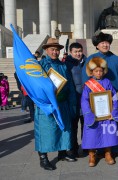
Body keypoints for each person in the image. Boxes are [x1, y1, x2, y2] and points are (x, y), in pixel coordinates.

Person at [82, 32, 118, 156]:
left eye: (107, 42)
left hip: (114, 96)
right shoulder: (91, 58)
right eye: (102, 43)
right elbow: (85, 78)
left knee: (117, 122)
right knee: (99, 125)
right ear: (97, 45)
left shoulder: (116, 59)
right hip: (95, 97)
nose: (105, 45)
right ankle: (100, 148)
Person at [36, 38, 77, 170]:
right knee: (45, 130)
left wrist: (71, 101)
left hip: (63, 102)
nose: (55, 52)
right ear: (46, 50)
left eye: (57, 49)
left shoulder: (63, 65)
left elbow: (69, 83)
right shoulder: (41, 65)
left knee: (63, 128)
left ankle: (62, 152)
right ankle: (43, 157)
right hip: (47, 104)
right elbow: (36, 84)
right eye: (52, 49)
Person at [81, 57, 118, 167]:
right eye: (96, 71)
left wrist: (113, 110)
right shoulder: (88, 84)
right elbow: (84, 100)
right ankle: (92, 155)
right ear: (91, 72)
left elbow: (113, 96)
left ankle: (108, 154)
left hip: (106, 114)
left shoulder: (107, 82)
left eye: (101, 71)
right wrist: (89, 113)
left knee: (108, 134)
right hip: (94, 115)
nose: (99, 73)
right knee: (92, 135)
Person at [65, 42, 86, 157]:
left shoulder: (87, 63)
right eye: (75, 52)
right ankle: (73, 148)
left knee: (86, 125)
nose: (78, 54)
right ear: (70, 52)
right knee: (73, 126)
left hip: (86, 101)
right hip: (72, 101)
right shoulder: (66, 65)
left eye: (80, 51)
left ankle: (86, 146)